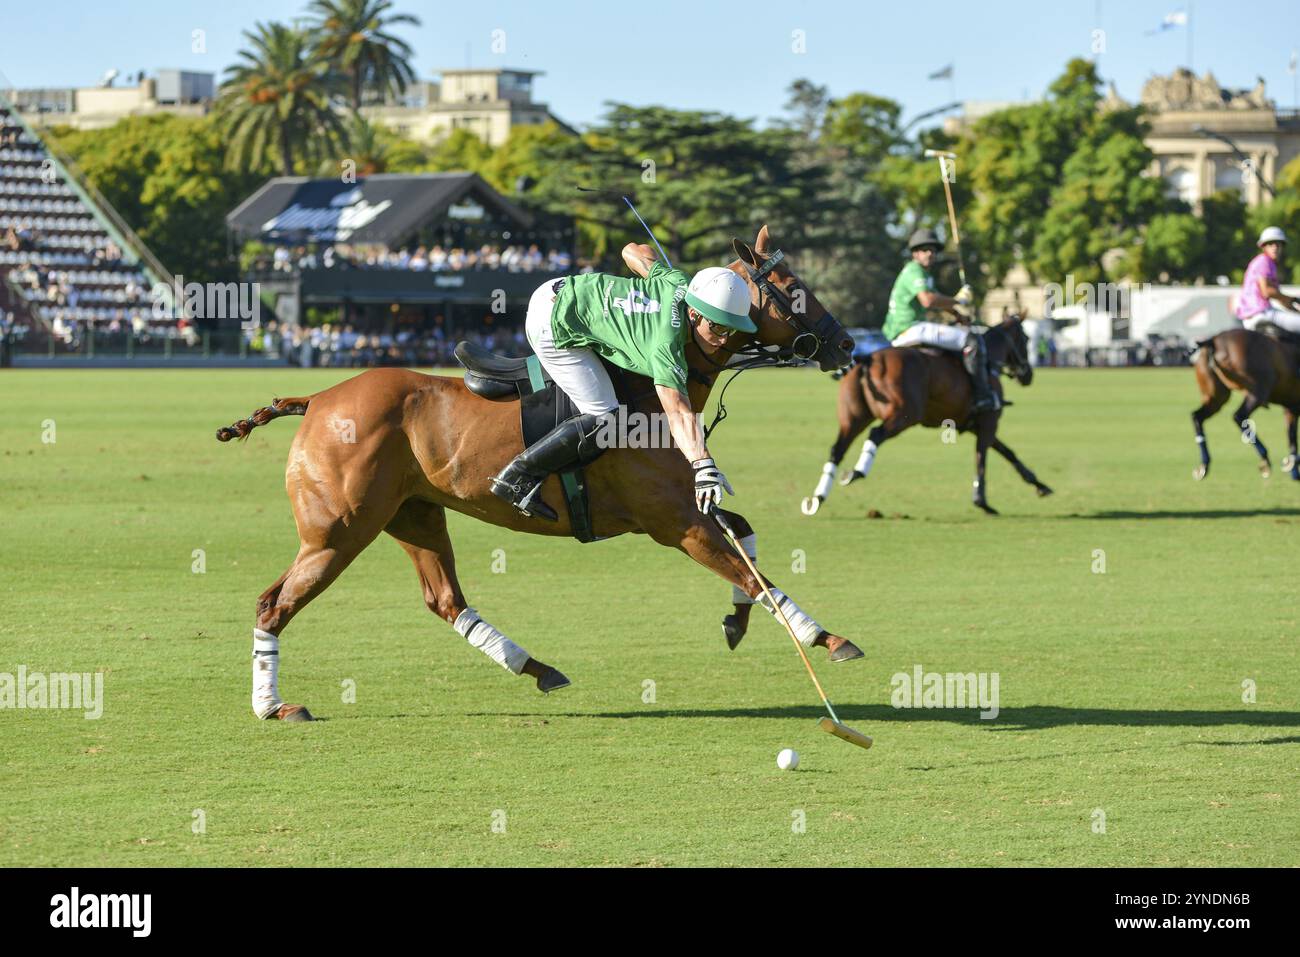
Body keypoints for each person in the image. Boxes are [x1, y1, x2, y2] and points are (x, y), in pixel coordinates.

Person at [490, 243, 755, 521]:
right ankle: (518, 476)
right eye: (719, 327)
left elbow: (631, 250)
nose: (724, 339)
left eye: (732, 329)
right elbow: (677, 411)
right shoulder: (664, 344)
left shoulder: (677, 282)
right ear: (693, 314)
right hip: (552, 322)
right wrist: (703, 466)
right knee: (605, 416)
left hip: (558, 287)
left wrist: (652, 265)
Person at [882, 228, 999, 413]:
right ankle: (982, 396)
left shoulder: (924, 274)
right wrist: (958, 300)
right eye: (924, 249)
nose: (930, 253)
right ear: (915, 253)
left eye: (933, 250)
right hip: (909, 328)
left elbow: (937, 299)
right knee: (972, 341)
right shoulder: (914, 271)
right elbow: (928, 301)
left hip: (908, 328)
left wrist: (958, 314)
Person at [1236, 227, 1300, 335]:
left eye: (1278, 244)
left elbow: (1280, 299)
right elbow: (1266, 292)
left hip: (1257, 313)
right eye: (1270, 244)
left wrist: (1295, 310)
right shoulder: (1264, 261)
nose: (1275, 247)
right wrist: (1292, 298)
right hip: (1261, 312)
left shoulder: (1269, 264)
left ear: (1282, 247)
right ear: (1263, 247)